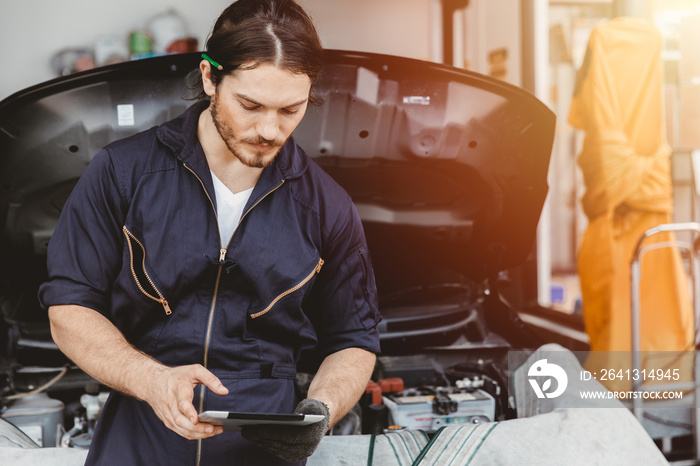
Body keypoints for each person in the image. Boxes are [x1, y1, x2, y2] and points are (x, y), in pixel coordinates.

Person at [38, 1, 381, 464]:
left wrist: (322, 409)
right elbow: (69, 307)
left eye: (290, 109)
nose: (269, 129)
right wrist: (154, 381)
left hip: (263, 446)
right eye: (250, 105)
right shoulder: (121, 173)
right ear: (209, 78)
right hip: (140, 434)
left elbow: (353, 339)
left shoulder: (328, 206)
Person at [568, 17, 693, 390]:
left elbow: (607, 169)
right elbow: (607, 171)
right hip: (623, 226)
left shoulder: (611, 141)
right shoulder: (611, 145)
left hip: (637, 228)